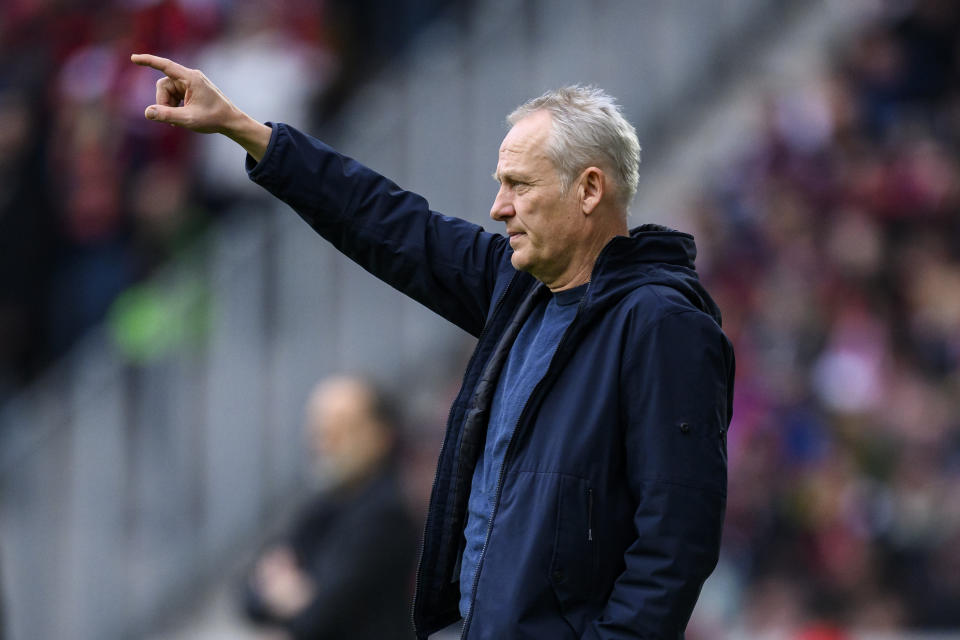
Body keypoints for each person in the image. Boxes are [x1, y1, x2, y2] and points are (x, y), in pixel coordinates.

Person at [131, 53, 735, 639]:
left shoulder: (663, 325)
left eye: (519, 186)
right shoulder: (517, 290)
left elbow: (676, 538)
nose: (499, 208)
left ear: (589, 189)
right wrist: (246, 131)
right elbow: (389, 222)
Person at [241, 375, 418, 640]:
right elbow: (247, 595)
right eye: (318, 428)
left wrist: (285, 592)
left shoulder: (388, 514)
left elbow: (318, 619)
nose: (324, 440)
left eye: (341, 428)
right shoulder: (323, 505)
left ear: (382, 435)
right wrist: (290, 595)